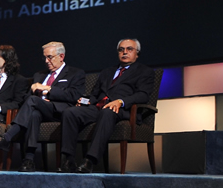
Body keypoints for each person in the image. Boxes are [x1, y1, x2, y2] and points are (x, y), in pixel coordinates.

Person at [58, 38, 155, 173]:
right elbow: (94, 94)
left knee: (108, 111)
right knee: (70, 112)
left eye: (129, 49)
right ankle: (69, 160)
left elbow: (143, 95)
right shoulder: (107, 71)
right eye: (121, 50)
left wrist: (120, 101)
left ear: (137, 53)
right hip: (99, 107)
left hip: (123, 110)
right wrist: (85, 101)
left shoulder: (144, 71)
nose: (124, 52)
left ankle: (89, 160)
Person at [0, 41, 86, 172]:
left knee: (33, 101)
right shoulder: (39, 75)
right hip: (39, 109)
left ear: (61, 56)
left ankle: (7, 137)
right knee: (34, 113)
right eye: (44, 57)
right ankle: (29, 160)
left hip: (61, 111)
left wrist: (48, 89)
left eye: (49, 57)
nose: (46, 61)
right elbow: (26, 98)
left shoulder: (75, 73)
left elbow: (73, 95)